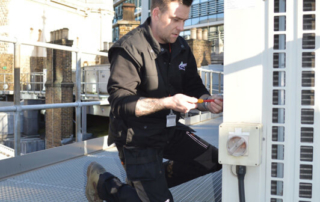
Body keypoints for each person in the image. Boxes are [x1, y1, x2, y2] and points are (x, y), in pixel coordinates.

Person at [85, 0, 223, 201]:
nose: (181, 27)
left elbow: (194, 85)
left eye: (184, 20)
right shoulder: (128, 48)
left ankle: (144, 183)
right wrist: (168, 103)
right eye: (176, 19)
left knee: (213, 160)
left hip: (169, 129)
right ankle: (104, 183)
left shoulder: (182, 46)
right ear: (157, 13)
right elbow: (120, 103)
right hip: (136, 137)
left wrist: (208, 100)